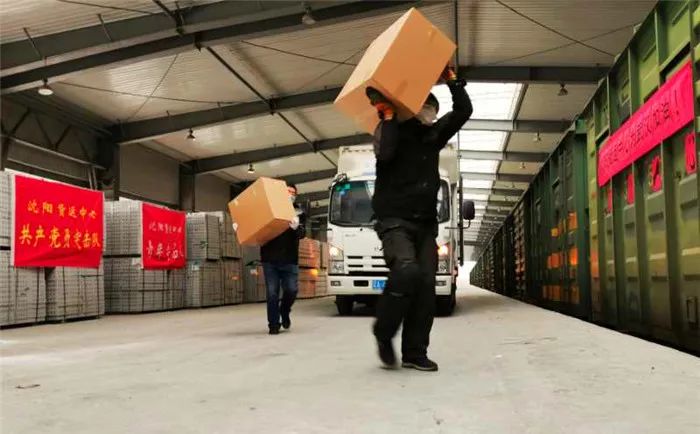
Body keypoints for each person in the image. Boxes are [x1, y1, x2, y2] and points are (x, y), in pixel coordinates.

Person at [366, 65, 472, 371]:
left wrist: (452, 80)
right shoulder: (390, 131)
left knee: (426, 287)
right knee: (406, 270)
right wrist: (388, 116)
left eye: (433, 110)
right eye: (426, 107)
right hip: (394, 220)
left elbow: (463, 111)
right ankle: (384, 332)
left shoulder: (434, 136)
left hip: (425, 223)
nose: (431, 114)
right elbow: (385, 154)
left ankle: (414, 352)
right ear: (411, 109)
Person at [260, 183, 306, 335]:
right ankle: (273, 324)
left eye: (293, 193)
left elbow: (302, 234)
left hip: (289, 259)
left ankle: (284, 310)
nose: (290, 195)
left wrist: (296, 228)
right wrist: (241, 227)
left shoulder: (299, 212)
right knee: (272, 293)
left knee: (291, 290)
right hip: (270, 258)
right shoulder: (269, 209)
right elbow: (256, 225)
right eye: (288, 191)